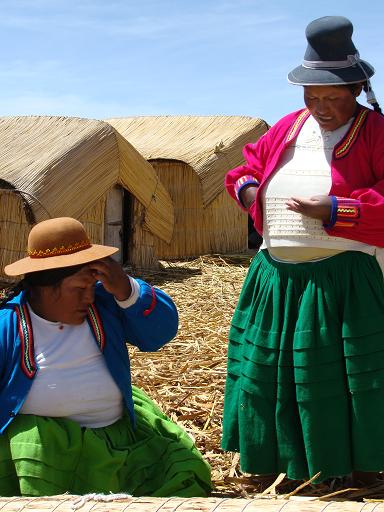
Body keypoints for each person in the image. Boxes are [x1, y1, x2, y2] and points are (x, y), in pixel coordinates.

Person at [221, 16, 384, 486]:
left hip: (342, 281)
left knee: (337, 381)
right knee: (273, 375)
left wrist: (336, 209)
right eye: (313, 97)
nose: (322, 107)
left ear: (355, 90)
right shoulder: (290, 128)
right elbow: (244, 171)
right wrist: (254, 195)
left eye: (333, 98)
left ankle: (356, 471)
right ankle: (282, 468)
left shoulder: (375, 133)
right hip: (277, 279)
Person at [0, 217, 211, 497]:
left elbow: (161, 331)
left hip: (116, 438)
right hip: (45, 447)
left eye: (91, 286)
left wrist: (127, 290)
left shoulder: (104, 305)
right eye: (79, 289)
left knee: (183, 471)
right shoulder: (9, 326)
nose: (88, 297)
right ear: (43, 288)